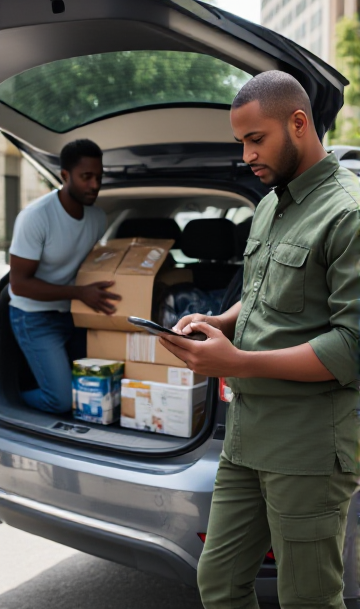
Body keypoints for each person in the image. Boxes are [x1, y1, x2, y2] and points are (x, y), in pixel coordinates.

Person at [159, 71, 360, 609]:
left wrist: (237, 361)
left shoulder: (350, 213)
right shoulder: (271, 202)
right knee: (220, 585)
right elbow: (264, 290)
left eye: (255, 139)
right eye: (241, 142)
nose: (246, 155)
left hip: (309, 445)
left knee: (308, 599)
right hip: (247, 438)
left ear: (298, 123)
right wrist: (222, 320)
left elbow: (350, 347)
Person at [9, 139, 120, 414]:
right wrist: (80, 293)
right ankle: (9, 401)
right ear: (65, 176)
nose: (95, 185)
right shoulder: (36, 217)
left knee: (101, 385)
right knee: (59, 400)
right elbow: (19, 284)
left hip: (74, 314)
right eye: (86, 177)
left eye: (99, 177)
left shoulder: (97, 218)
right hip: (33, 317)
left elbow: (89, 268)